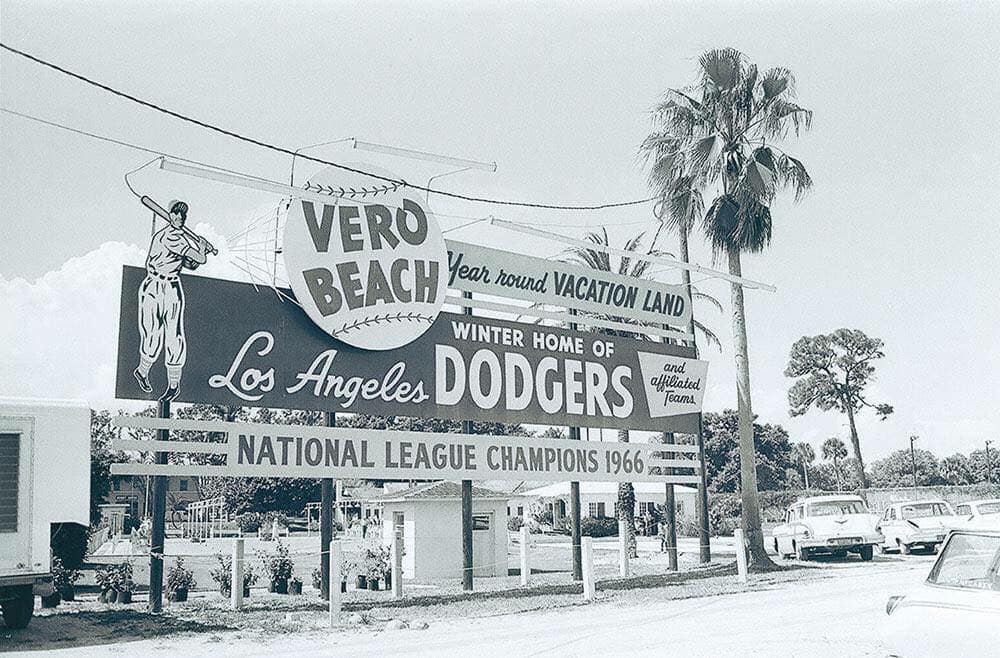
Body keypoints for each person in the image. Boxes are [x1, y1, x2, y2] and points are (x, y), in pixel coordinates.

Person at [133, 200, 213, 401]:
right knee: (151, 334)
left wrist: (199, 252)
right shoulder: (169, 236)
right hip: (153, 285)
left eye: (182, 215)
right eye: (175, 214)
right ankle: (142, 371)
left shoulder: (179, 238)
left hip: (172, 286)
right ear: (169, 215)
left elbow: (191, 264)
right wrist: (202, 247)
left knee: (173, 336)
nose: (179, 217)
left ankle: (173, 385)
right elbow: (199, 258)